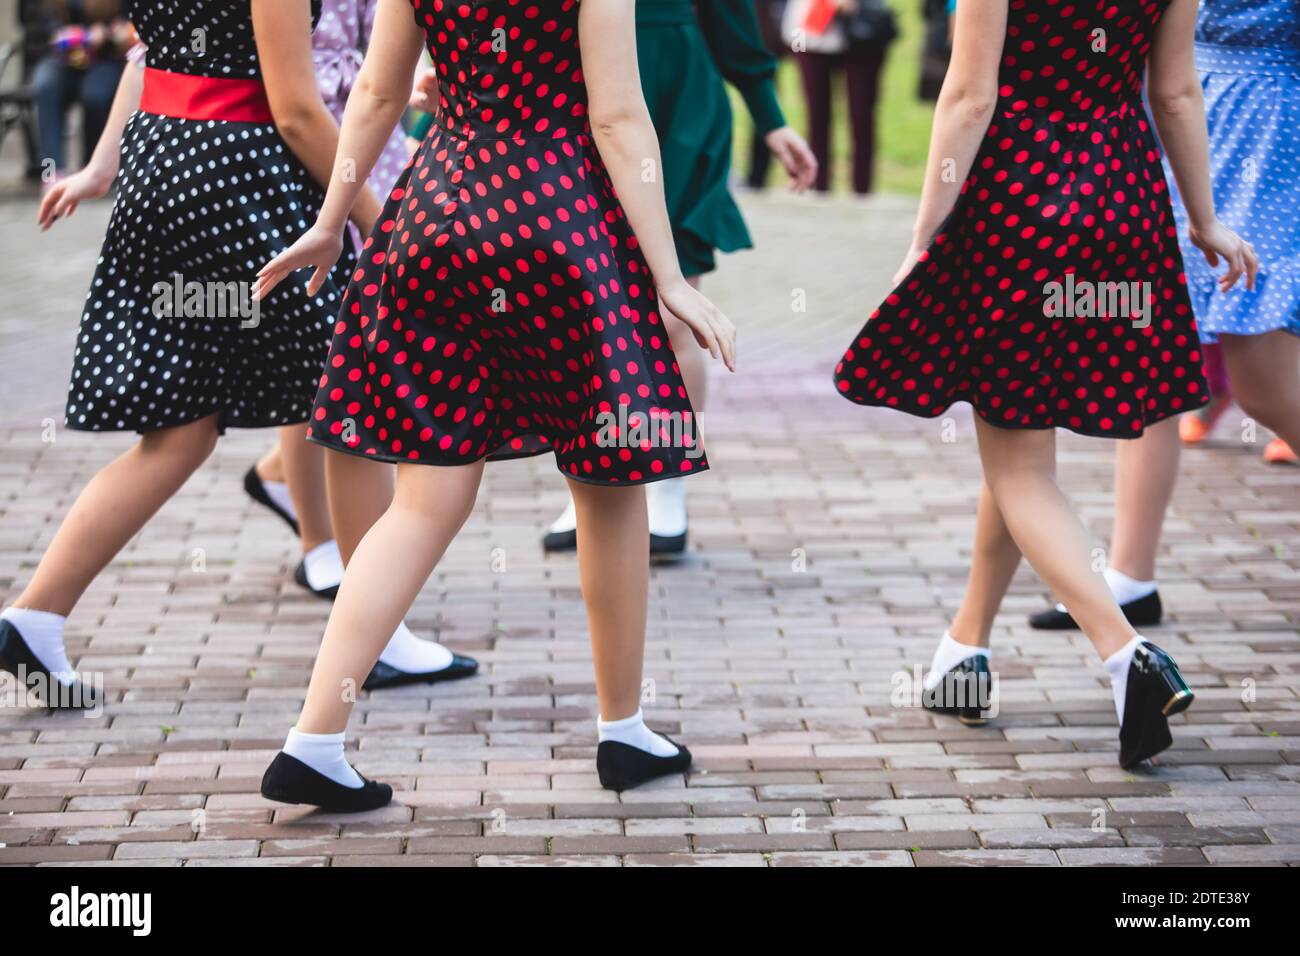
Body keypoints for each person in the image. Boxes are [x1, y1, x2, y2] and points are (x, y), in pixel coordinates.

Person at [253, 0, 736, 810]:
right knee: (610, 489)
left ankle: (314, 739)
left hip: (436, 214)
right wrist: (669, 275)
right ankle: (623, 731)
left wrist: (331, 221)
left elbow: (375, 92)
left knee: (422, 502)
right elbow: (617, 117)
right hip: (562, 221)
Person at [833, 0, 1258, 768]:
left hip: (1019, 200)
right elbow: (1174, 93)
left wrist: (926, 234)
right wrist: (1205, 219)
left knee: (1019, 463)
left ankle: (1126, 654)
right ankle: (964, 653)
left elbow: (970, 96)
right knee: (1019, 440)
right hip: (1124, 198)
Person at [0, 0, 392, 707]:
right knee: (350, 387)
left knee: (181, 431)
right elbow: (298, 113)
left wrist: (99, 168)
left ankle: (32, 618)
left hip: (165, 166)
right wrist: (381, 226)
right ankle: (379, 638)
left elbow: (147, 59)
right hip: (238, 175)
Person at [1028, 0, 1300, 632]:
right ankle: (1130, 576)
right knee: (1151, 358)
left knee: (1263, 377)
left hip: (1268, 138)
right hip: (1172, 122)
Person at [542, 0, 817, 556]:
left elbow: (731, 19)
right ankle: (591, 476)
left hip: (677, 111)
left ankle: (667, 481)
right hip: (573, 101)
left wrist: (771, 118)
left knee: (672, 313)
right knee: (585, 314)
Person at [782, 0, 896, 194]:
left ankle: (862, 189)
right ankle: (817, 185)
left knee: (862, 116)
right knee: (816, 115)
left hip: (862, 33)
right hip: (809, 35)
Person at [30, 0, 129, 183]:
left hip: (106, 59)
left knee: (95, 95)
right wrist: (62, 36)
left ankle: (91, 166)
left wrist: (108, 34)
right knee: (46, 85)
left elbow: (131, 27)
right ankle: (51, 171)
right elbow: (39, 33)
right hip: (63, 60)